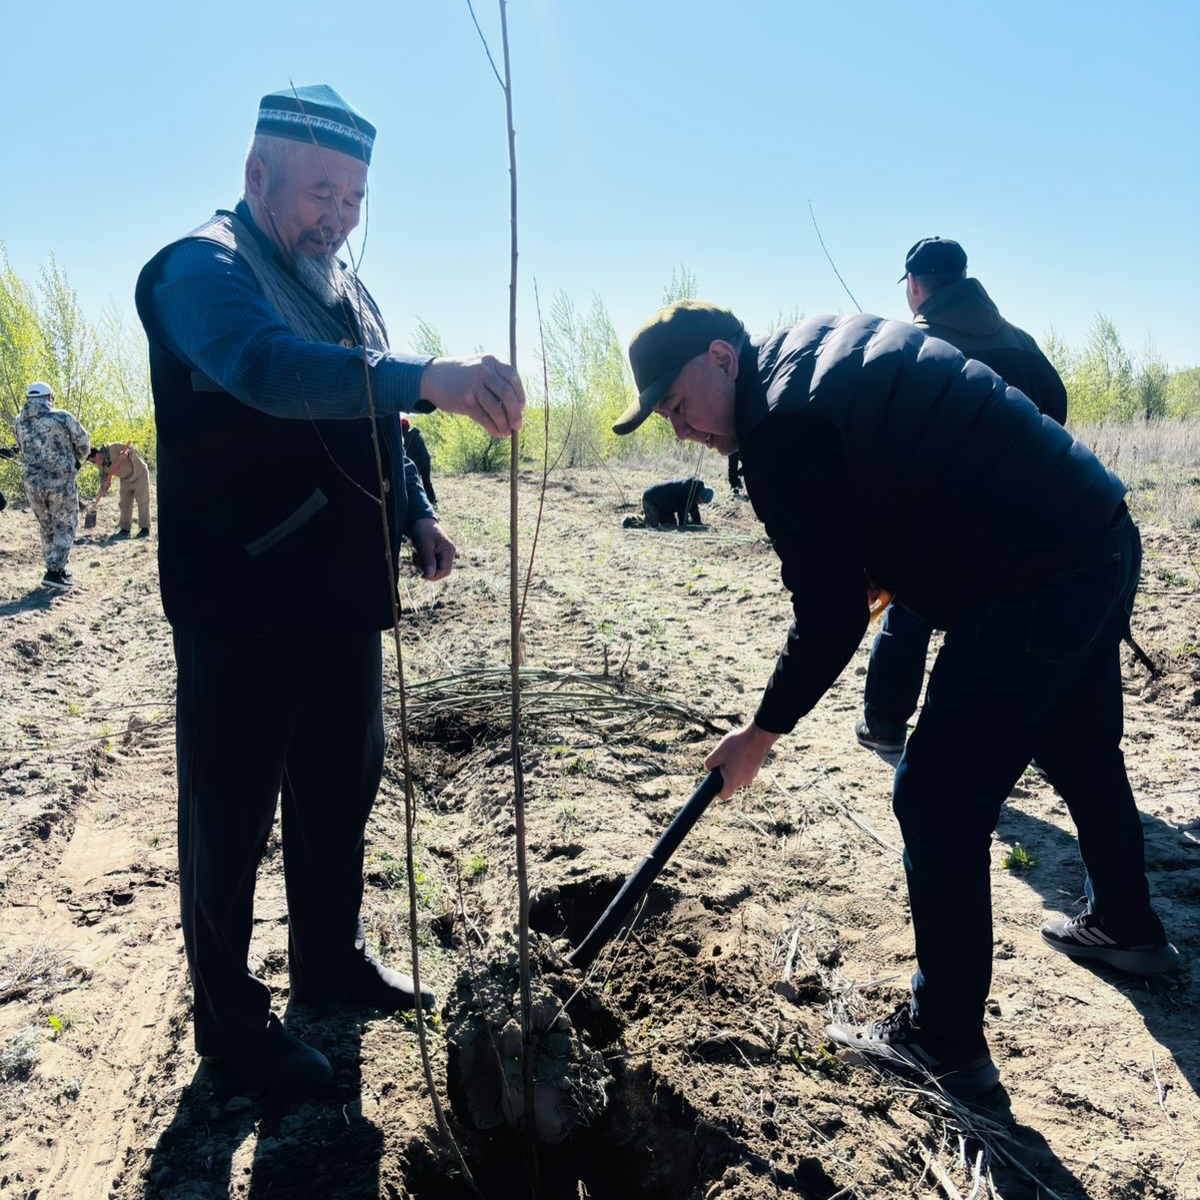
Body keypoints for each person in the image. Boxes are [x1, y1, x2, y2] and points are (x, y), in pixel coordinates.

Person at [613, 299, 1177, 1097]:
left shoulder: (780, 425)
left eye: (676, 404)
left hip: (1033, 572)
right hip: (1097, 528)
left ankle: (942, 1038)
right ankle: (1127, 924)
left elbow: (831, 614)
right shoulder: (807, 351)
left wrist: (760, 734)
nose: (682, 431)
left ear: (719, 358)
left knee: (935, 796)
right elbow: (905, 471)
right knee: (1078, 746)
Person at [134, 84, 525, 1090]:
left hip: (343, 599)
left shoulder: (346, 286)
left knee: (336, 796)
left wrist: (418, 511)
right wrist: (425, 375)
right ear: (257, 174)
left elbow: (386, 420)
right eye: (322, 192)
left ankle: (330, 963)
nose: (339, 217)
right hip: (243, 603)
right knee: (229, 820)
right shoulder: (200, 271)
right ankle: (230, 1029)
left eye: (355, 198)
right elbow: (271, 370)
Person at [857, 238, 1070, 754]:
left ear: (914, 285)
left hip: (941, 519)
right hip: (1022, 522)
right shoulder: (1019, 340)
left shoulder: (913, 340)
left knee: (908, 611)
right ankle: (1037, 741)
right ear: (963, 276)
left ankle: (885, 724)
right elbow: (1057, 408)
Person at [14, 382, 90, 589]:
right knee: (66, 524)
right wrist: (76, 460)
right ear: (49, 397)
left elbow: (22, 447)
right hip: (60, 482)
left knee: (47, 526)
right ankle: (55, 573)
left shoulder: (19, 421)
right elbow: (84, 443)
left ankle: (56, 569)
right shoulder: (62, 417)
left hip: (32, 483)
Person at [85, 442, 152, 538]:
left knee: (143, 501)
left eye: (94, 460)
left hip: (139, 474)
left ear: (98, 454)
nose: (95, 463)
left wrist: (127, 454)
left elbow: (132, 448)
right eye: (92, 462)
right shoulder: (101, 465)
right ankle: (125, 529)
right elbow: (105, 477)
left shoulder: (113, 448)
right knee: (124, 504)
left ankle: (145, 529)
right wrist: (103, 487)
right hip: (125, 479)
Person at [642, 476, 714, 528]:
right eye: (702, 502)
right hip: (651, 499)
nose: (701, 504)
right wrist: (685, 526)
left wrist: (698, 523)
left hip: (666, 506)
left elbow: (694, 511)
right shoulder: (686, 492)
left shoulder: (693, 492)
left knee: (670, 526)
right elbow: (682, 514)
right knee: (652, 527)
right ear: (700, 496)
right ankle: (636, 524)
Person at [400, 416, 436, 505]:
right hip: (426, 460)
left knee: (414, 482)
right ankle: (432, 500)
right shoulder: (414, 434)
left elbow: (408, 454)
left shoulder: (409, 436)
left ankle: (418, 503)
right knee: (427, 481)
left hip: (419, 461)